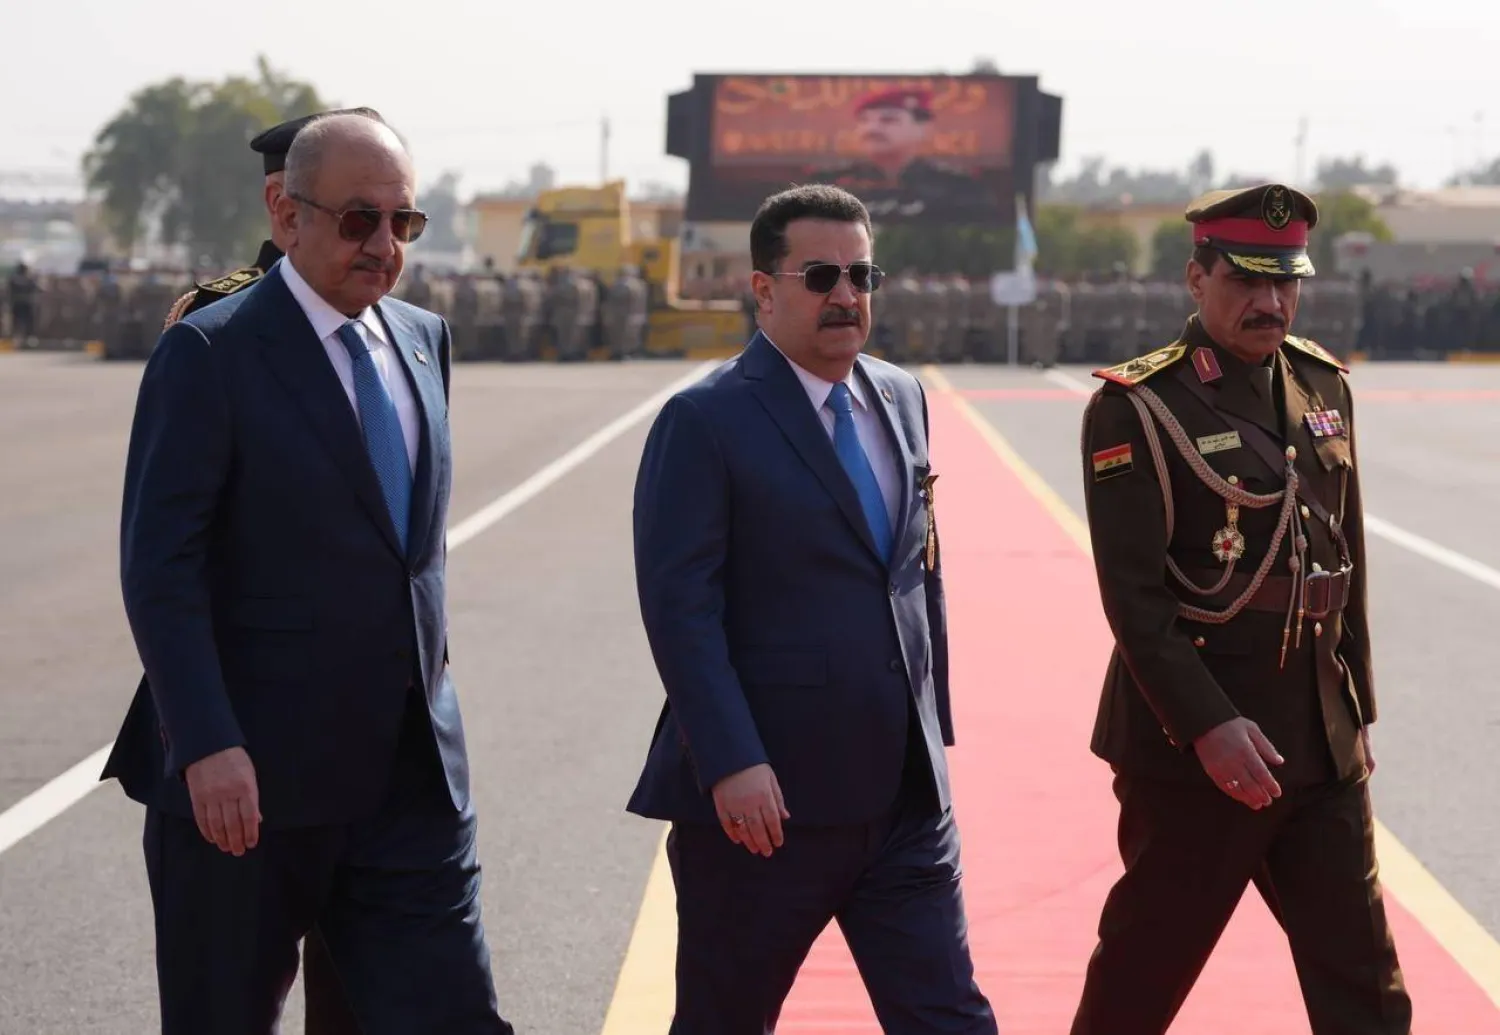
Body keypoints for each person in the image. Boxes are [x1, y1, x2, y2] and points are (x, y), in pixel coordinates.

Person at [101, 112, 514, 1035]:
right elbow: (161, 563)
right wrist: (204, 740)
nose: (383, 246)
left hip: (407, 780)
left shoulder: (422, 341)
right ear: (285, 212)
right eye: (359, 219)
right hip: (249, 786)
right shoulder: (211, 350)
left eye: (402, 223)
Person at [627, 182, 997, 1034]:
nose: (846, 295)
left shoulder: (901, 395)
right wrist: (728, 760)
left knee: (949, 1017)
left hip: (902, 797)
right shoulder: (706, 420)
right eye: (821, 274)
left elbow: (914, 568)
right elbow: (680, 607)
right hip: (766, 807)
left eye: (863, 274)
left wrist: (930, 727)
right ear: (764, 290)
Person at [1069, 182, 1412, 1034]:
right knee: (1142, 978)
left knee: (1367, 988)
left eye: (1285, 282)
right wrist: (1208, 724)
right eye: (1246, 282)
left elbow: (1346, 565)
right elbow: (1135, 598)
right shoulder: (1138, 406)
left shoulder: (1322, 383)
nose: (1270, 302)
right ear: (1196, 279)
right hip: (1197, 748)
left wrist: (1355, 708)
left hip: (1319, 742)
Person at [161, 106, 384, 330]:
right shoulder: (219, 316)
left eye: (401, 220)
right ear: (280, 202)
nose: (383, 243)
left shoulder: (404, 325)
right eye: (355, 215)